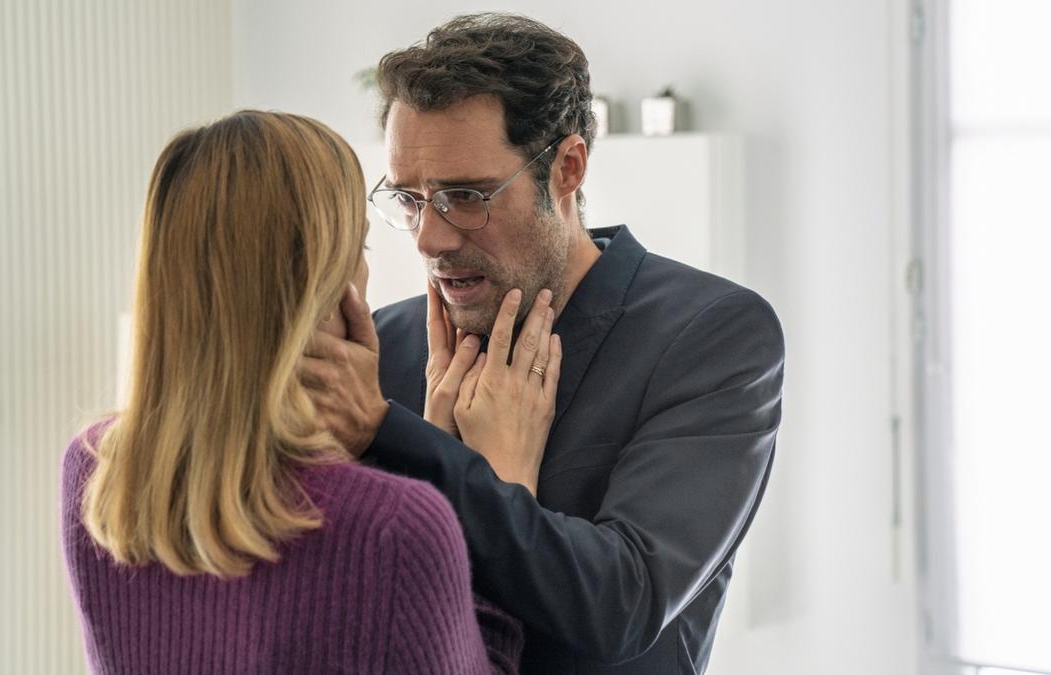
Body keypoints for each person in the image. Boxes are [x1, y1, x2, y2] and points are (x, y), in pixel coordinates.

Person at [300, 13, 786, 675]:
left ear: (568, 167)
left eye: (464, 196)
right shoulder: (382, 345)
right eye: (410, 199)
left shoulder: (711, 336)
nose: (427, 239)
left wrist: (403, 440)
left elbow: (620, 606)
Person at [59, 110, 553, 674]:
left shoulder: (95, 471)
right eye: (361, 250)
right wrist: (500, 488)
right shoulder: (396, 529)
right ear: (329, 286)